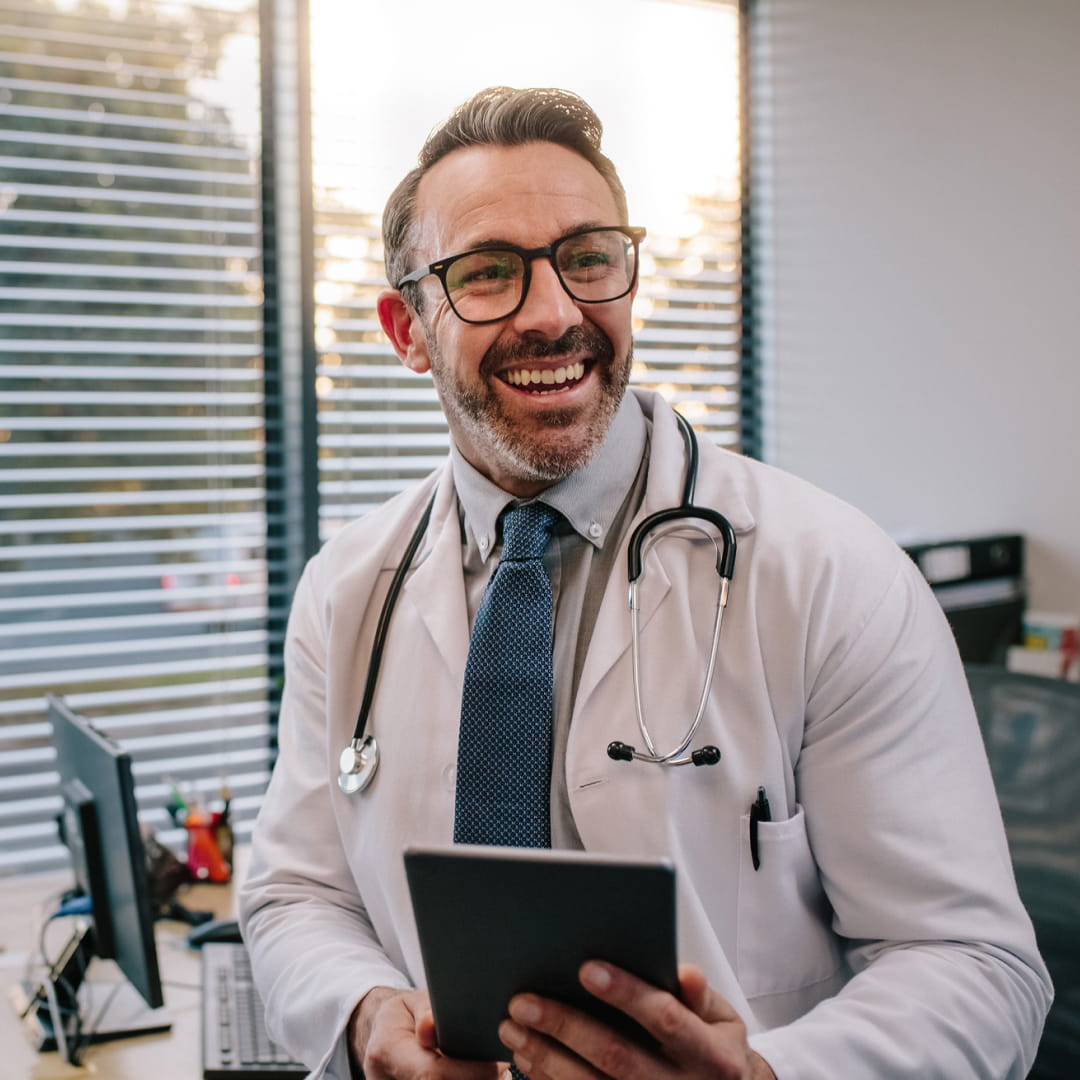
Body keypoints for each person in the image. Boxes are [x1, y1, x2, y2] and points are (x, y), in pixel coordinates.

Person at [238, 86, 1051, 1080]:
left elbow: (980, 968)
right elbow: (295, 894)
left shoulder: (830, 574)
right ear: (407, 330)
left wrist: (771, 1077)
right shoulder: (346, 590)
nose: (554, 314)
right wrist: (365, 1016)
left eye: (586, 259)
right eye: (488, 273)